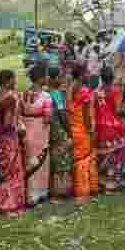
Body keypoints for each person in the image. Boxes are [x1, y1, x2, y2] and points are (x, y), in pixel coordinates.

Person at [0, 70, 27, 217]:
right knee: (13, 170)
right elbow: (9, 121)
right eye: (13, 79)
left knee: (1, 168)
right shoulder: (11, 97)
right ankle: (11, 204)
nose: (15, 82)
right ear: (6, 81)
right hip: (9, 137)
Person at [22, 64, 53, 206]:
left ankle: (27, 193)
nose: (47, 78)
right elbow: (48, 118)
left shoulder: (23, 94)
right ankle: (39, 193)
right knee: (40, 162)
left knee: (27, 161)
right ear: (40, 78)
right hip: (40, 131)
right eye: (46, 75)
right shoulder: (46, 96)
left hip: (25, 131)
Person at [92, 67, 125, 194]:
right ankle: (112, 185)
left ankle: (102, 183)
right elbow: (117, 110)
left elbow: (93, 111)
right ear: (112, 79)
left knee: (103, 156)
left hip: (101, 127)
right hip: (113, 127)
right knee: (116, 156)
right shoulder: (115, 91)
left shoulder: (95, 92)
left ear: (101, 78)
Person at [67, 67, 99, 203]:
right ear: (80, 76)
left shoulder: (69, 89)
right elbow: (86, 115)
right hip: (82, 129)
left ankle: (80, 189)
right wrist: (90, 129)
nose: (88, 75)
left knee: (77, 159)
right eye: (85, 73)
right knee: (85, 160)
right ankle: (83, 192)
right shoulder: (84, 91)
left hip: (72, 128)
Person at [47, 67, 74, 202]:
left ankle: (52, 190)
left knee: (54, 159)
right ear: (53, 79)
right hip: (59, 130)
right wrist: (69, 131)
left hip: (49, 130)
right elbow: (62, 114)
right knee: (62, 162)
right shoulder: (56, 94)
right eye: (59, 77)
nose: (61, 79)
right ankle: (61, 192)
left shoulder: (46, 92)